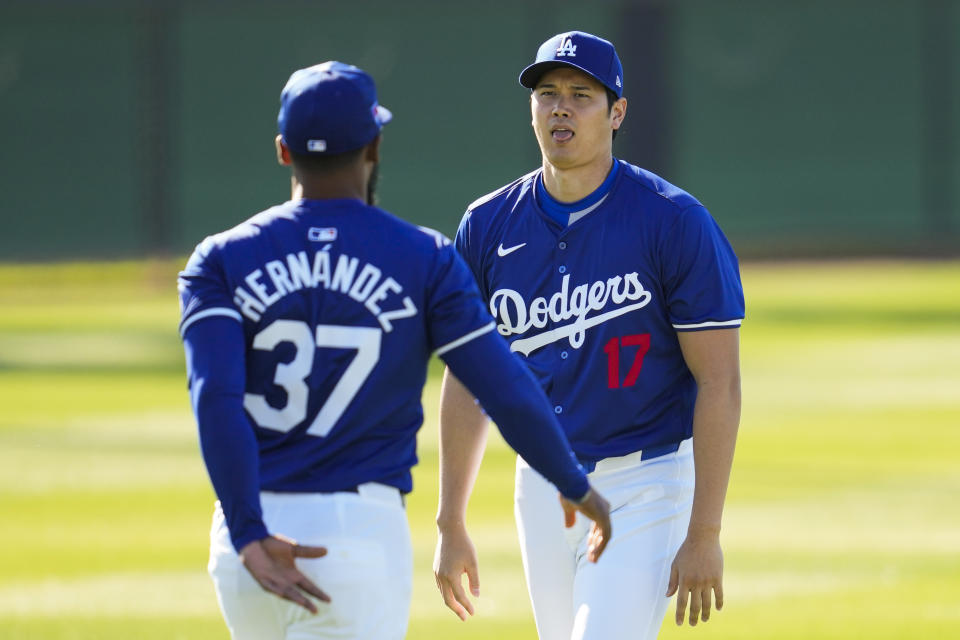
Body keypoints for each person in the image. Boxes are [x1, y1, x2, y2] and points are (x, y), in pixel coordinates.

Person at [177, 60, 612, 640]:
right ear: (374, 145)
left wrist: (247, 529)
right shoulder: (423, 258)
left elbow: (216, 400)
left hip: (245, 540)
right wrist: (574, 483)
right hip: (354, 534)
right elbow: (504, 388)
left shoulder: (218, 260)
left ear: (283, 151)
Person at [433, 31, 744, 640]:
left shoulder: (674, 221)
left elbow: (720, 381)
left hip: (645, 484)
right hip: (542, 486)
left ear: (617, 111)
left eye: (582, 94)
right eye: (547, 94)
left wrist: (703, 532)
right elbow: (468, 382)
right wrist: (450, 522)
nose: (561, 108)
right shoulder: (488, 224)